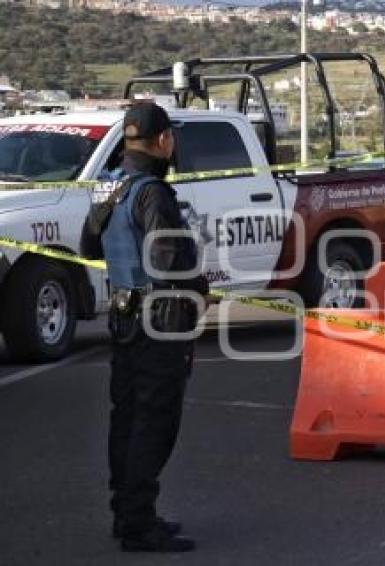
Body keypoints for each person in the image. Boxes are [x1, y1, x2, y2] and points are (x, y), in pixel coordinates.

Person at [80, 102, 208, 553]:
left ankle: (127, 512)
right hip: (159, 321)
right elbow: (169, 259)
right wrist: (199, 286)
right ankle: (139, 523)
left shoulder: (110, 187)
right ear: (162, 141)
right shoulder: (153, 192)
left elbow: (88, 243)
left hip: (124, 318)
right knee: (154, 421)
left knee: (127, 417)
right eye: (171, 136)